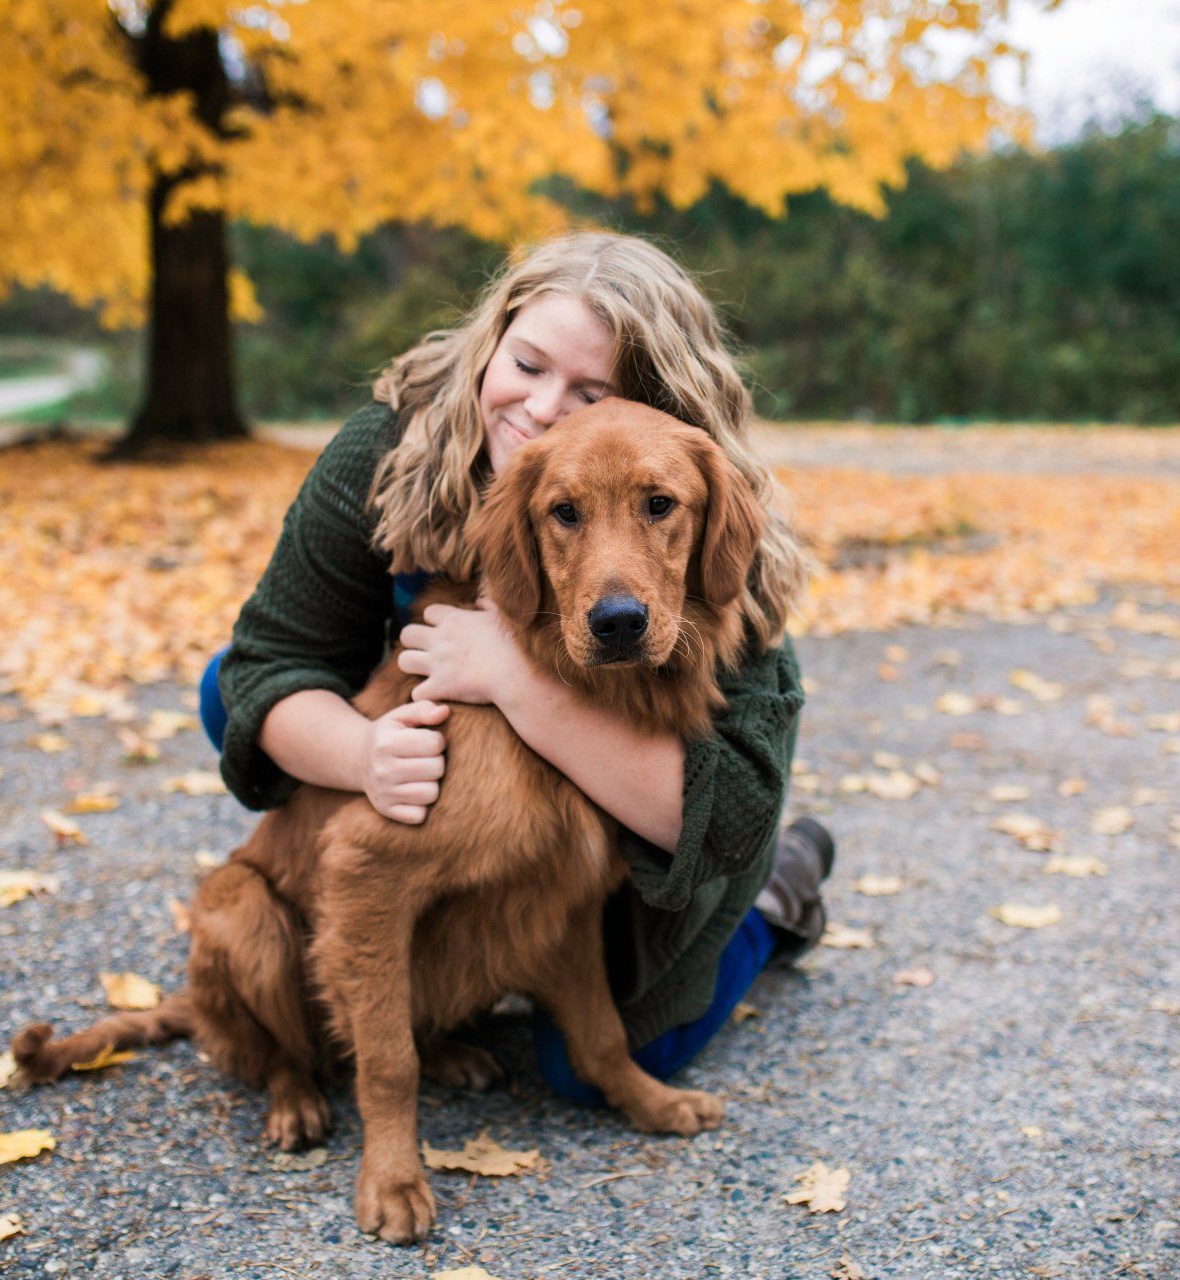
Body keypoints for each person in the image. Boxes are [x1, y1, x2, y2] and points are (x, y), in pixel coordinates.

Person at [198, 232, 835, 1105]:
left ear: (642, 405)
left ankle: (775, 908)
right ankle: (434, 968)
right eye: (527, 364)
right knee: (228, 687)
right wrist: (362, 756)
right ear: (491, 340)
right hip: (463, 775)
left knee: (597, 1064)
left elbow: (725, 822)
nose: (540, 408)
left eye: (590, 391)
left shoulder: (698, 502)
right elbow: (269, 659)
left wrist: (512, 676)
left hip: (680, 843)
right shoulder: (389, 449)